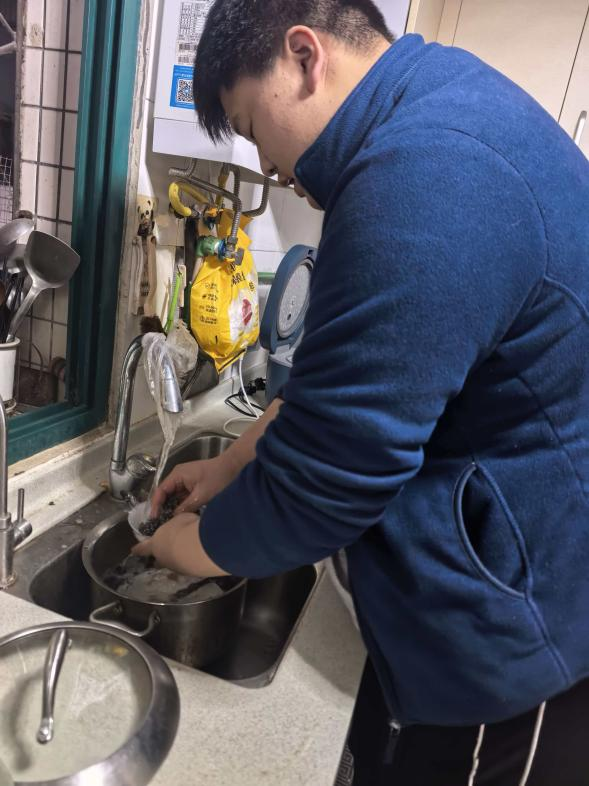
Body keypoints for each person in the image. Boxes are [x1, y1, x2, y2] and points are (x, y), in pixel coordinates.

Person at [133, 1, 589, 783]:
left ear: (304, 55)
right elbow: (342, 383)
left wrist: (188, 548)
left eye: (253, 128)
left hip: (511, 643)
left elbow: (324, 484)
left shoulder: (424, 177)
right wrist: (230, 465)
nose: (270, 168)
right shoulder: (432, 112)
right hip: (492, 584)